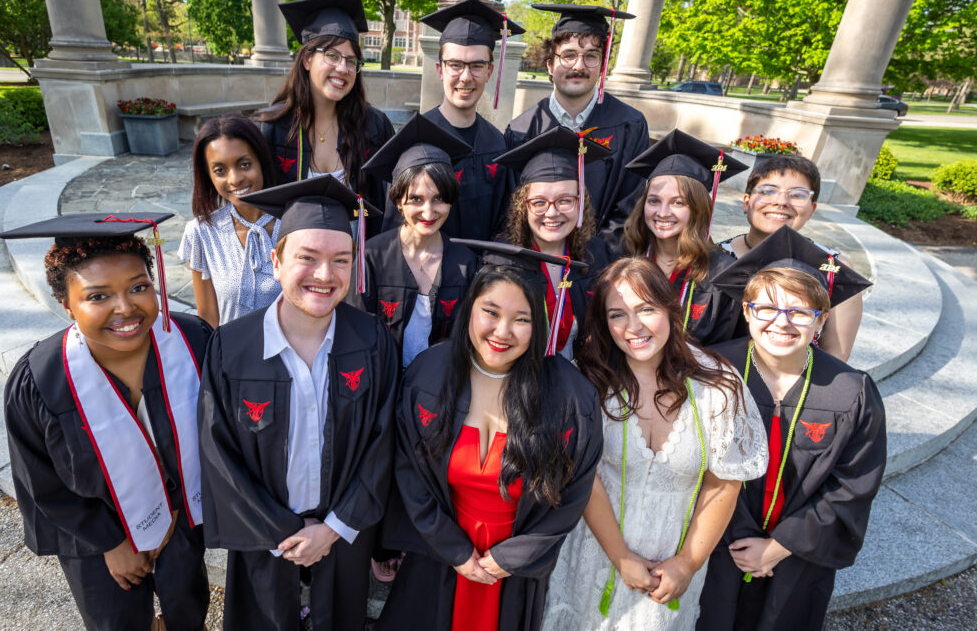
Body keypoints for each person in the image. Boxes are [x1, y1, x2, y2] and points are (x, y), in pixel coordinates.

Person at [198, 177, 400, 631]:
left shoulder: (372, 341)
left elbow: (383, 442)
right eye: (307, 258)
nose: (324, 275)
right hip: (263, 535)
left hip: (346, 533)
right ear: (275, 260)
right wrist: (279, 532)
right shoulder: (232, 347)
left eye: (340, 260)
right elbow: (219, 452)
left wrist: (334, 527)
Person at [376, 241, 604, 631]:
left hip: (513, 567)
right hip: (441, 554)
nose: (503, 332)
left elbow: (574, 492)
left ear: (540, 324)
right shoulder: (430, 375)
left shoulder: (567, 395)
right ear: (469, 310)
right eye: (491, 312)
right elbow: (408, 471)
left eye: (522, 319)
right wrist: (455, 549)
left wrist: (511, 558)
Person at [1, 213, 211, 631]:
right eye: (98, 297)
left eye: (139, 287)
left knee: (186, 609)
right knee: (117, 621)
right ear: (66, 305)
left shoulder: (193, 342)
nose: (125, 308)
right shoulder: (42, 379)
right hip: (95, 539)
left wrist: (172, 510)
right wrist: (112, 543)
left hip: (182, 519)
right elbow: (40, 480)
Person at [543, 256, 767, 630]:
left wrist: (688, 563)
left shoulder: (718, 384)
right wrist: (621, 557)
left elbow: (724, 482)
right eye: (617, 315)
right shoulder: (592, 380)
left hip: (673, 556)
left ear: (670, 309)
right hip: (595, 548)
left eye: (646, 309)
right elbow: (585, 476)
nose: (633, 327)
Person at [697, 226, 885, 631]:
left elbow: (852, 485)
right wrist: (742, 539)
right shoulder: (712, 372)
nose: (782, 323)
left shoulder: (850, 392)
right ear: (747, 312)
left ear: (821, 320)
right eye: (766, 309)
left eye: (799, 312)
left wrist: (779, 547)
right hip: (714, 544)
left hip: (799, 559)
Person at [504, 4, 649, 248]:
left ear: (602, 66)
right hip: (536, 262)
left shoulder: (630, 125)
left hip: (603, 264)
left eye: (591, 56)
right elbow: (513, 211)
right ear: (550, 64)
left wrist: (595, 262)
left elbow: (630, 208)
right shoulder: (522, 130)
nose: (578, 66)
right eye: (568, 55)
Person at [256, 0, 395, 233]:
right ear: (307, 60)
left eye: (351, 61)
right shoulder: (274, 128)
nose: (343, 68)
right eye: (332, 55)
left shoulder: (374, 126)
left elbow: (389, 199)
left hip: (357, 261)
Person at [352, 112, 478, 368]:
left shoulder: (466, 263)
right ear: (398, 201)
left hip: (439, 391)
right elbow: (356, 335)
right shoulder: (372, 257)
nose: (429, 212)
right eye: (416, 199)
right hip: (381, 390)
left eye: (439, 199)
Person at [716, 155, 864, 361]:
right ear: (746, 202)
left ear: (812, 209)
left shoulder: (833, 270)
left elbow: (835, 357)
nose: (781, 201)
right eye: (767, 191)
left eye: (797, 195)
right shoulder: (714, 258)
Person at [495, 125, 616, 358]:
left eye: (565, 200)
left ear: (581, 203)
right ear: (523, 206)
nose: (552, 213)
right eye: (539, 202)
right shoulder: (501, 260)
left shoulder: (600, 257)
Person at [622, 129, 748, 347]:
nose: (662, 212)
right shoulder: (626, 254)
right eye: (654, 201)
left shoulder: (722, 273)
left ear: (698, 208)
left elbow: (729, 346)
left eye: (678, 202)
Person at [414, 0, 525, 240]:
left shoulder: (497, 144)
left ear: (489, 72)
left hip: (486, 272)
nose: (465, 77)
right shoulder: (416, 141)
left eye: (476, 65)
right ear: (440, 70)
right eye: (455, 64)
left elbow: (505, 223)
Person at [179, 114, 281, 327]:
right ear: (208, 176)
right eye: (220, 170)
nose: (234, 179)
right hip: (233, 354)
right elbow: (208, 318)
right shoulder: (201, 232)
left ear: (261, 161)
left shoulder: (294, 225)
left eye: (244, 164)